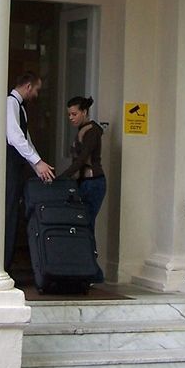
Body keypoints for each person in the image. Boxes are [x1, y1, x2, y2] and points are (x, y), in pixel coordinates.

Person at [5, 71, 55, 273]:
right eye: (36, 89)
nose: (36, 94)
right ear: (28, 86)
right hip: (10, 166)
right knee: (8, 213)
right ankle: (4, 265)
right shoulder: (11, 103)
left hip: (17, 167)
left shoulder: (20, 108)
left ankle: (7, 262)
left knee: (13, 212)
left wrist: (38, 165)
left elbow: (26, 139)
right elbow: (15, 137)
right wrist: (37, 162)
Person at [58, 95, 106, 283]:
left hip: (93, 183)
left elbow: (81, 159)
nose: (71, 117)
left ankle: (93, 272)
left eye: (74, 114)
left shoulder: (91, 131)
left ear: (84, 112)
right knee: (84, 227)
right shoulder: (84, 130)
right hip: (86, 184)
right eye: (69, 114)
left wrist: (62, 177)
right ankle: (90, 271)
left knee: (86, 227)